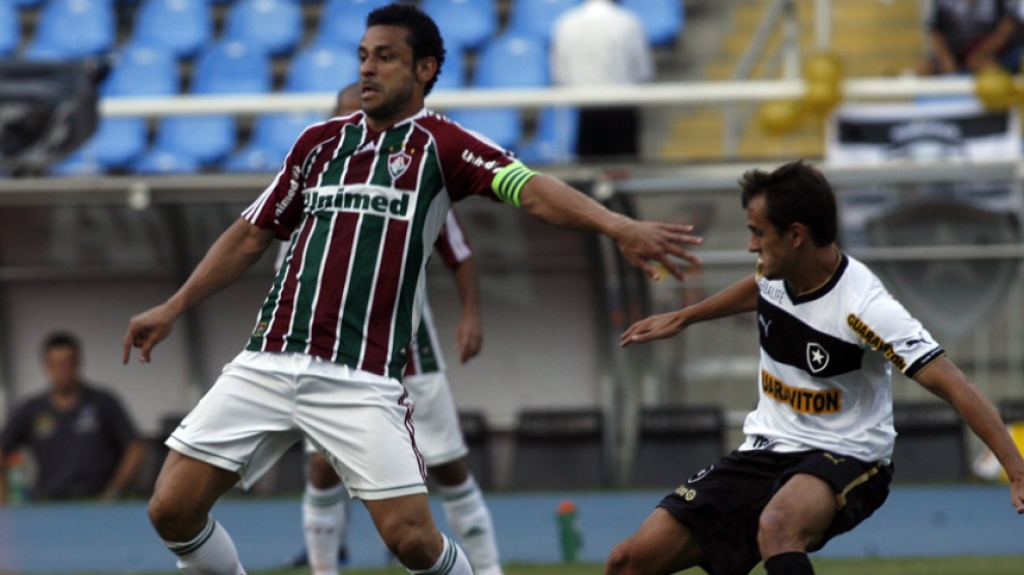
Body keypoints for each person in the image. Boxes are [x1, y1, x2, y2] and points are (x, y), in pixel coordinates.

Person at [123, 5, 702, 575]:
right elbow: (250, 235)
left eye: (386, 57)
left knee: (412, 541)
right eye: (362, 57)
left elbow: (533, 190)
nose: (367, 69)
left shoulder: (443, 145)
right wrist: (174, 306)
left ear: (425, 69)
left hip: (356, 376)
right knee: (171, 509)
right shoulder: (318, 143)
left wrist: (617, 224)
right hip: (267, 359)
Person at [606, 161, 1024, 575]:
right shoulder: (776, 270)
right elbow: (760, 289)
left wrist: (1016, 470)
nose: (752, 246)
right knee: (627, 562)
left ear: (796, 235)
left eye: (758, 233)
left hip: (848, 454)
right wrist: (686, 317)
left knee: (777, 527)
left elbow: (955, 385)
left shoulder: (865, 309)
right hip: (767, 448)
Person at [283, 82, 503, 575]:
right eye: (344, 116)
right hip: (329, 349)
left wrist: (471, 313)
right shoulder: (313, 182)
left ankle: (489, 570)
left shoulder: (414, 181)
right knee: (322, 467)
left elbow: (459, 253)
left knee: (448, 466)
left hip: (408, 350)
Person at [0, 332, 145, 503]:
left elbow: (135, 447)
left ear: (77, 363)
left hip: (98, 502)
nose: (63, 370)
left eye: (68, 363)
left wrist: (115, 490)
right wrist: (5, 497)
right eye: (57, 364)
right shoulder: (31, 409)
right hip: (49, 502)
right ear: (46, 366)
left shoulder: (103, 402)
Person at [550, 0, 653, 160]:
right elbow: (643, 71)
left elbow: (560, 74)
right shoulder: (628, 22)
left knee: (588, 172)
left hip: (584, 109)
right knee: (622, 170)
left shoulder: (566, 22)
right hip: (620, 109)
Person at [918, 0, 1022, 75]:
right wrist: (946, 60)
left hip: (996, 52)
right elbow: (934, 29)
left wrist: (983, 53)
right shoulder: (940, 3)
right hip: (954, 54)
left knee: (991, 70)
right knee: (923, 69)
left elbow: (1008, 25)